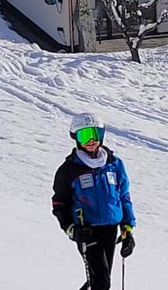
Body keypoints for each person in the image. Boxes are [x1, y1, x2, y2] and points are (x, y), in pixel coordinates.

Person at [52, 113, 136, 290]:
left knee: (99, 280)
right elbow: (59, 203)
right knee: (101, 283)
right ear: (76, 138)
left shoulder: (114, 164)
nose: (90, 140)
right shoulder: (68, 170)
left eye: (94, 134)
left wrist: (127, 229)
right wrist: (70, 228)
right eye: (84, 135)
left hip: (110, 229)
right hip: (87, 232)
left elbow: (124, 196)